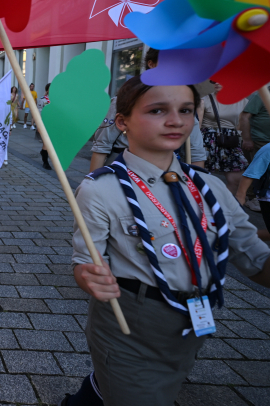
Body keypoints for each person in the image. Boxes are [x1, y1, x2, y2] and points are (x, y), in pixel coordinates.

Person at [62, 77, 270, 406]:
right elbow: (86, 261)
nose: (175, 120)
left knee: (134, 388)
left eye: (186, 110)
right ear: (123, 122)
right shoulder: (100, 189)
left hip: (192, 322)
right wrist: (88, 276)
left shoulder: (209, 189)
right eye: (158, 110)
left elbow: (257, 262)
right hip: (129, 322)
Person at [90, 49, 206, 172]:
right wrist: (92, 181)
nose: (176, 121)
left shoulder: (185, 102)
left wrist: (198, 186)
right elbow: (101, 147)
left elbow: (196, 151)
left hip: (170, 173)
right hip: (124, 170)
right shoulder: (127, 99)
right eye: (155, 111)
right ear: (151, 64)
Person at [196, 83, 249, 195]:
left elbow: (240, 123)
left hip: (230, 140)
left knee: (236, 179)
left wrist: (242, 138)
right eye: (214, 80)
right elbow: (198, 125)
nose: (216, 83)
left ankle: (226, 205)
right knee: (203, 177)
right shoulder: (205, 100)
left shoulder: (242, 101)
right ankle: (207, 204)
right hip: (208, 140)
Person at [38, 83, 52, 170]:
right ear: (47, 90)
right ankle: (45, 162)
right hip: (45, 124)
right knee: (46, 143)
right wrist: (39, 126)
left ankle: (43, 152)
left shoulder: (58, 100)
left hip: (56, 124)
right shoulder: (42, 100)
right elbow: (38, 114)